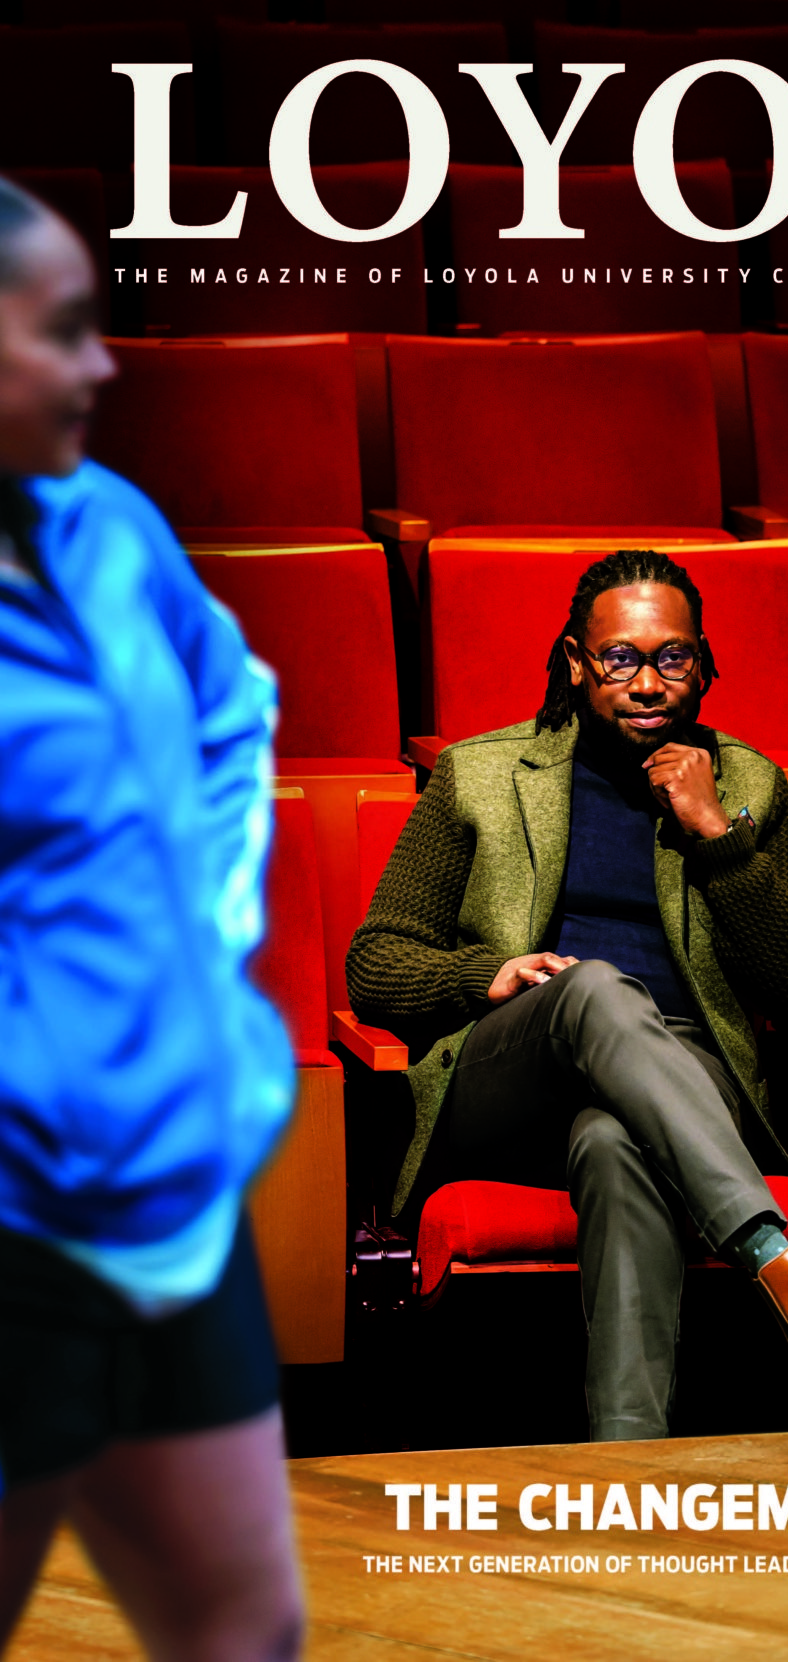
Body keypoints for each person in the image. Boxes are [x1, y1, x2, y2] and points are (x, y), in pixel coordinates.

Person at [346, 547, 788, 1441]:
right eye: (620, 658)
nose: (647, 683)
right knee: (597, 990)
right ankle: (781, 1265)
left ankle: (629, 1465)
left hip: (684, 1080)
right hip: (512, 1073)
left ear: (703, 665)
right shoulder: (481, 778)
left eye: (672, 658)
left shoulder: (752, 786)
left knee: (615, 1143)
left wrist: (717, 835)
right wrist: (485, 975)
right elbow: (373, 963)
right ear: (576, 662)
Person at [0, 179, 303, 1657]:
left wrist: (200, 943)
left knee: (244, 1633)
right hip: (16, 1227)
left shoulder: (110, 524)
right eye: (65, 333)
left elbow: (231, 711)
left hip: (178, 1188)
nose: (104, 366)